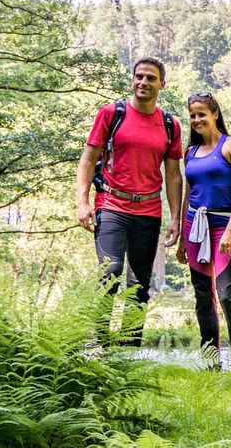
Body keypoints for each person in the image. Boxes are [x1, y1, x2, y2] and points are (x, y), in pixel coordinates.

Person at [75, 58, 184, 343]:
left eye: (150, 78)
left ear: (162, 84)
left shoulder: (170, 125)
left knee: (139, 283)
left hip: (149, 210)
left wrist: (175, 218)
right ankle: (97, 343)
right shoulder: (112, 113)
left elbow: (173, 174)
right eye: (139, 77)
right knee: (110, 272)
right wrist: (82, 201)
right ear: (133, 79)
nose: (143, 82)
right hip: (111, 205)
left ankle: (129, 350)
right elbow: (88, 158)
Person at [177, 92, 231, 373]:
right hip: (194, 228)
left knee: (226, 295)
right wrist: (182, 242)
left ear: (215, 114)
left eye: (202, 114)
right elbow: (189, 192)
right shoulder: (190, 153)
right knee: (202, 296)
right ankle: (211, 362)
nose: (197, 120)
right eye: (193, 115)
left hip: (224, 226)